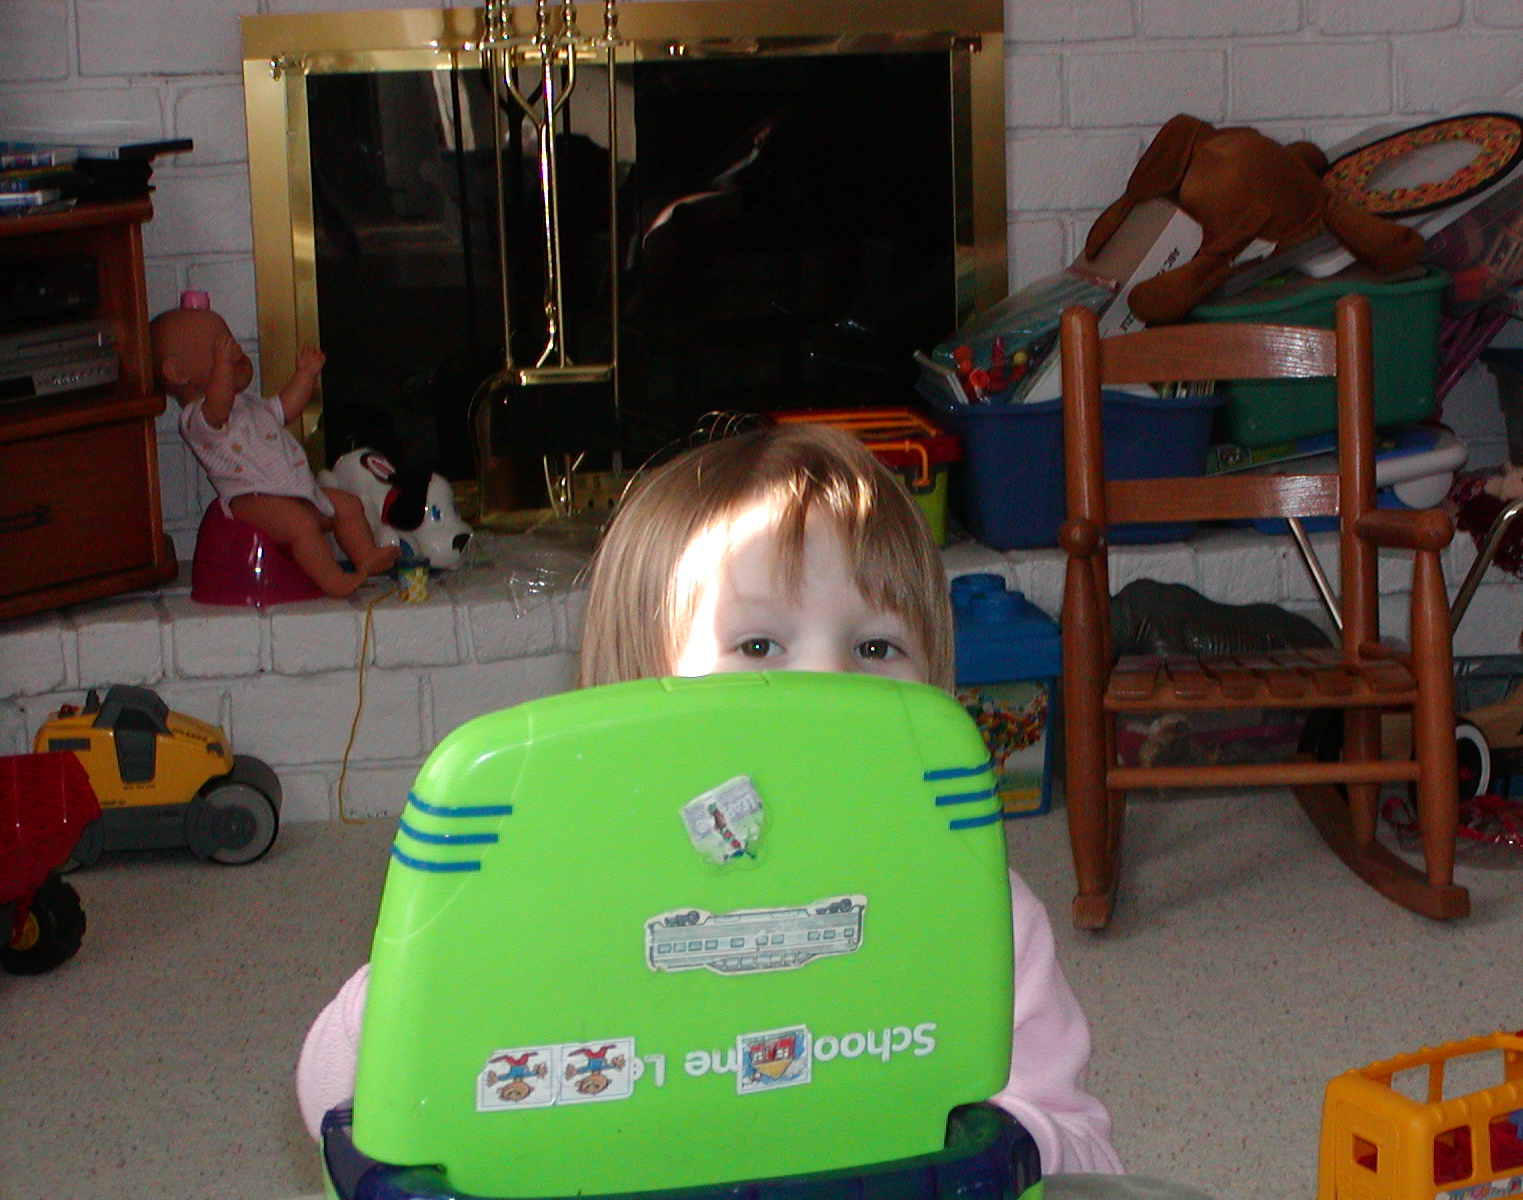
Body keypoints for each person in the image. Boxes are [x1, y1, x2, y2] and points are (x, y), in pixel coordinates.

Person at [296, 423, 1123, 1176]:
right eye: (759, 644)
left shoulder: (978, 912)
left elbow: (1082, 1151)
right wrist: (437, 965)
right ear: (634, 695)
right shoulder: (560, 894)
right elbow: (340, 1101)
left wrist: (1009, 1150)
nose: (827, 685)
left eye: (876, 647)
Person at [150, 293, 399, 597]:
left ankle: (366, 556)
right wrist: (224, 366)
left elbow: (286, 408)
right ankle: (333, 580)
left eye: (230, 340)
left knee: (348, 505)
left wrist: (305, 374)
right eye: (219, 346)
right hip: (251, 499)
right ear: (178, 373)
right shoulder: (197, 418)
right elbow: (218, 406)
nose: (234, 349)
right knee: (300, 525)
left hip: (293, 490)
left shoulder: (248, 404)